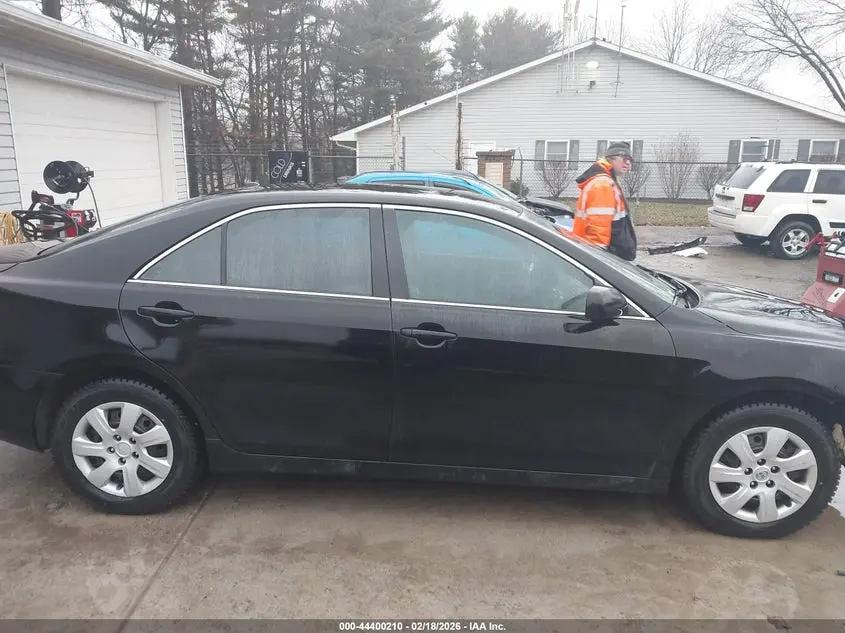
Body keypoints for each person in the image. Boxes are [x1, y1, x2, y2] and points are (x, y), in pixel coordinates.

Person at [570, 141, 637, 261]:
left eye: (630, 160)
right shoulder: (603, 185)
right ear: (611, 158)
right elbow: (597, 233)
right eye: (624, 158)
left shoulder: (605, 180)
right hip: (603, 258)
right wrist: (599, 263)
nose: (628, 163)